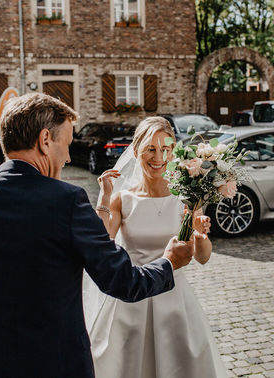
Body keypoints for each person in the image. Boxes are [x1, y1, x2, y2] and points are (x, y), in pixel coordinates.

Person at [0, 94, 195, 378]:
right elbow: (122, 281)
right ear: (45, 140)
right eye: (66, 145)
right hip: (53, 363)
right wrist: (168, 263)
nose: (68, 157)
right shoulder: (67, 201)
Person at [84, 116, 227, 378]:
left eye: (166, 149)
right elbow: (100, 245)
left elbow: (203, 258)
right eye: (151, 148)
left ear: (173, 152)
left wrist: (200, 235)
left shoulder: (187, 197)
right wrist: (104, 196)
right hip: (130, 300)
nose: (158, 157)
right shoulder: (122, 199)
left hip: (174, 302)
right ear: (136, 150)